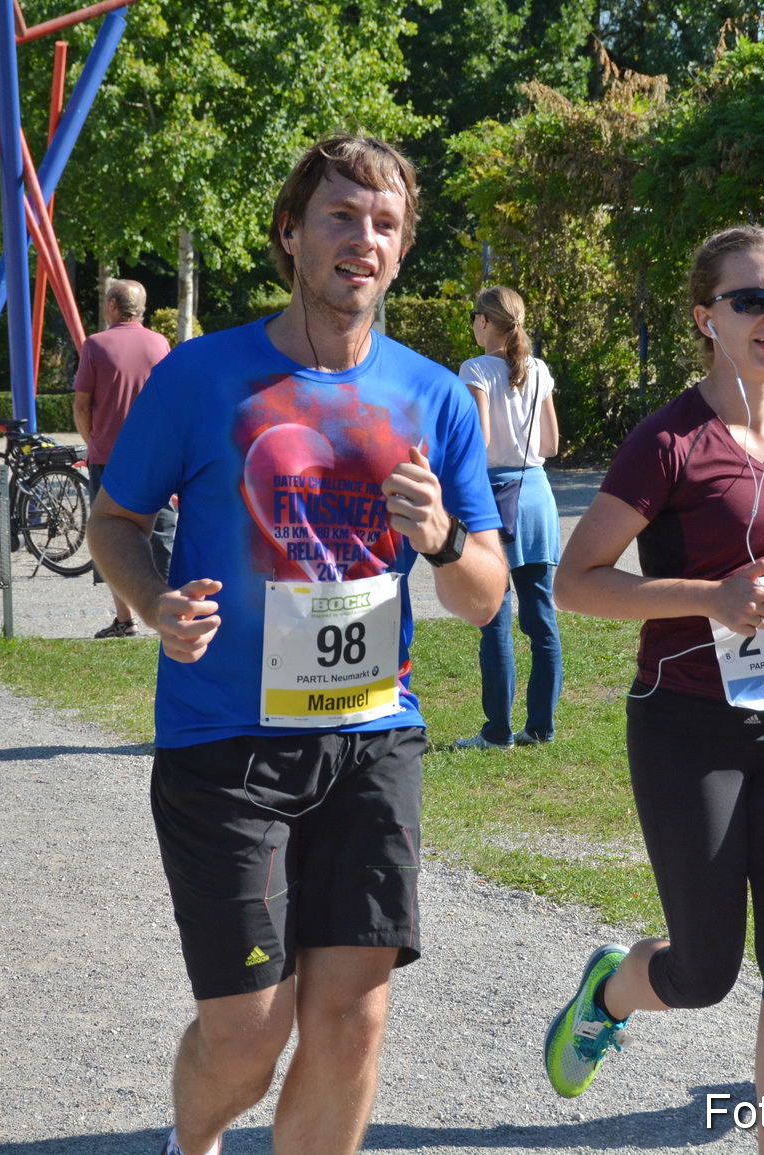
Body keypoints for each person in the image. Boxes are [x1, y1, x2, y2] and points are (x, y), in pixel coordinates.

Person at [86, 135, 505, 1155]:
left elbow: (485, 594)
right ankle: (193, 1143)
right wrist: (152, 602)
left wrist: (440, 536)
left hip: (373, 736)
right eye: (339, 217)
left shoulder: (436, 397)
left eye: (384, 225)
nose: (361, 239)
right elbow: (114, 521)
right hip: (223, 741)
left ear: (400, 253)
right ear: (290, 234)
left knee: (353, 1020)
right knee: (248, 1038)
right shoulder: (200, 378)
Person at [546, 225, 764, 1155]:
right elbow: (577, 580)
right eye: (752, 298)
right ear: (705, 316)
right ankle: (611, 986)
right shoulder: (668, 442)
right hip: (688, 725)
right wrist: (712, 598)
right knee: (704, 971)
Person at [453, 285, 563, 749]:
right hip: (537, 495)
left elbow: (476, 442)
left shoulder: (475, 369)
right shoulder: (537, 369)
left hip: (494, 499)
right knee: (541, 620)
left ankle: (497, 732)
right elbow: (551, 446)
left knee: (495, 619)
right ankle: (540, 728)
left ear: (484, 322)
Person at [71, 278, 175, 638]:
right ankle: (171, 608)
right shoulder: (160, 343)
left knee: (112, 533)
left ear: (113, 306)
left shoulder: (95, 345)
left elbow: (82, 405)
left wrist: (93, 441)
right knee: (162, 532)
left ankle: (124, 618)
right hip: (157, 456)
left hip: (109, 457)